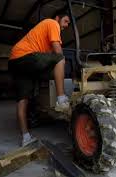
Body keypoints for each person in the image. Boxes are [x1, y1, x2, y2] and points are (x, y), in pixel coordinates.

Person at [8, 13, 71, 146]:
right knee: (60, 58)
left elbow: (46, 60)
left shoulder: (43, 38)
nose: (66, 25)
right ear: (58, 18)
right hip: (26, 56)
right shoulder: (52, 23)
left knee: (23, 99)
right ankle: (61, 98)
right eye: (65, 21)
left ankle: (25, 138)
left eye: (68, 23)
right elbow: (58, 52)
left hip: (15, 60)